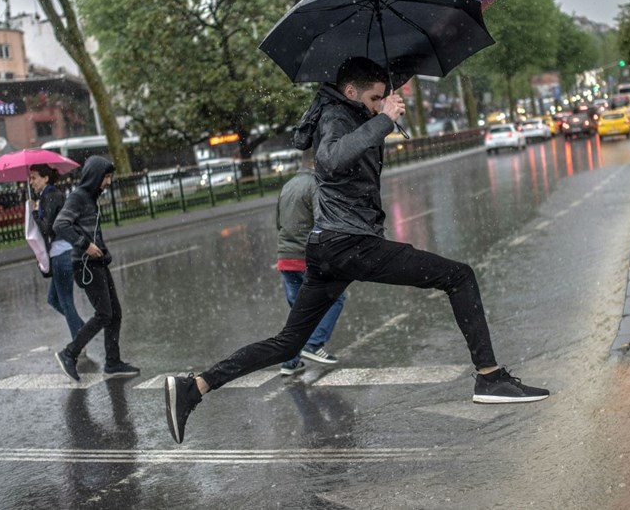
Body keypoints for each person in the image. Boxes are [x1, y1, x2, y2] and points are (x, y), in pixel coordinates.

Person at [164, 57, 549, 444]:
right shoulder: (335, 115)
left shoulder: (350, 107)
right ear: (350, 91)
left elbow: (392, 79)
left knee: (289, 343)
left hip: (329, 246)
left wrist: (460, 18)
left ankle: (194, 387)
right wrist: (383, 121)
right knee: (459, 276)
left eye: (382, 98)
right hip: (350, 244)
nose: (379, 103)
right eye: (374, 97)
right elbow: (329, 161)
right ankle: (489, 376)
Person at [52, 156, 140, 380]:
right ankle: (69, 353)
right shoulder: (78, 197)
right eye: (106, 177)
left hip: (97, 262)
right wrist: (85, 245)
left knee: (115, 314)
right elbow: (60, 224)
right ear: (95, 177)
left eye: (110, 177)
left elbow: (92, 232)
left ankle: (112, 362)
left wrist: (102, 250)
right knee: (104, 314)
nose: (109, 182)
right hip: (85, 265)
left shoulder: (91, 199)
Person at [275, 148, 346, 376]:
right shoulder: (316, 184)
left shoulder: (287, 186)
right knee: (336, 296)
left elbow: (278, 222)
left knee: (299, 313)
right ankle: (314, 344)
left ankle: (291, 361)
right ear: (318, 162)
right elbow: (322, 222)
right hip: (307, 258)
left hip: (286, 259)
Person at [29, 164, 84, 341]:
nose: (31, 182)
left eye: (34, 178)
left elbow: (48, 228)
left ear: (45, 178)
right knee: (54, 299)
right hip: (59, 254)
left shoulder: (52, 196)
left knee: (65, 301)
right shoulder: (48, 195)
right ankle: (83, 328)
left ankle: (80, 339)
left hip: (62, 254)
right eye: (30, 178)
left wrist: (35, 213)